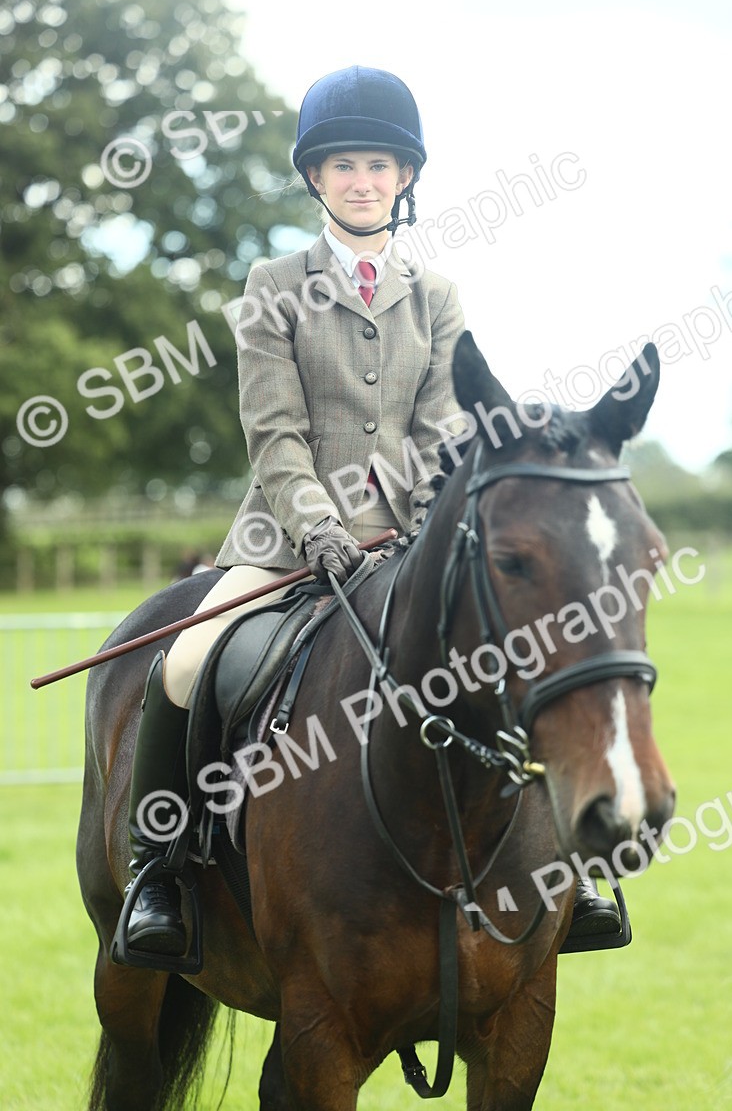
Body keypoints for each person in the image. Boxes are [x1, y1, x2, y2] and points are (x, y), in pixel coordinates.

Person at [119, 65, 619, 957]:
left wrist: (422, 527)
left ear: (405, 177)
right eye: (344, 165)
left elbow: (441, 429)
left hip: (410, 538)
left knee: (520, 647)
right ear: (316, 176)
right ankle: (160, 871)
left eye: (378, 166)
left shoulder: (437, 295)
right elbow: (274, 432)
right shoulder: (274, 284)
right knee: (186, 664)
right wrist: (318, 526)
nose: (362, 181)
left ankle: (568, 869)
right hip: (283, 539)